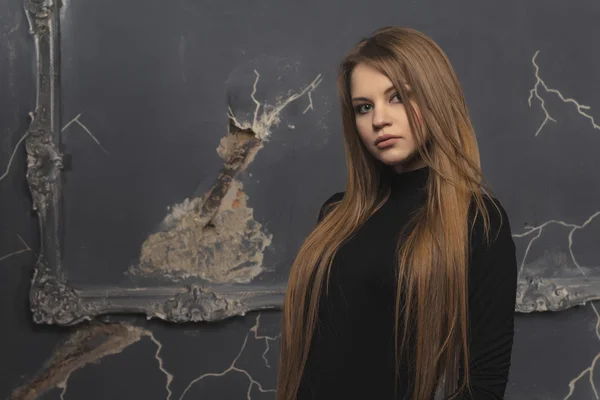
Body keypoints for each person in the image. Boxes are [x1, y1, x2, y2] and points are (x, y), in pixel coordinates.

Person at [276, 27, 518, 400]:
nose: (379, 121)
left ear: (436, 97)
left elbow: (483, 386)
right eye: (364, 107)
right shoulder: (337, 215)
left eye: (398, 98)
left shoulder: (478, 220)